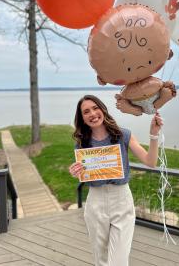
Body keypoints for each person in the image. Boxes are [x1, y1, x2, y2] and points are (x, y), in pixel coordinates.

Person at [69, 94, 163, 266]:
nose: (92, 114)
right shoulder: (82, 143)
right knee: (101, 260)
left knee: (118, 261)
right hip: (95, 202)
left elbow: (150, 161)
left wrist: (153, 135)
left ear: (103, 109)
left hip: (121, 200)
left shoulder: (123, 135)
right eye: (86, 112)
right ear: (82, 118)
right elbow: (83, 170)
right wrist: (76, 171)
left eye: (95, 108)